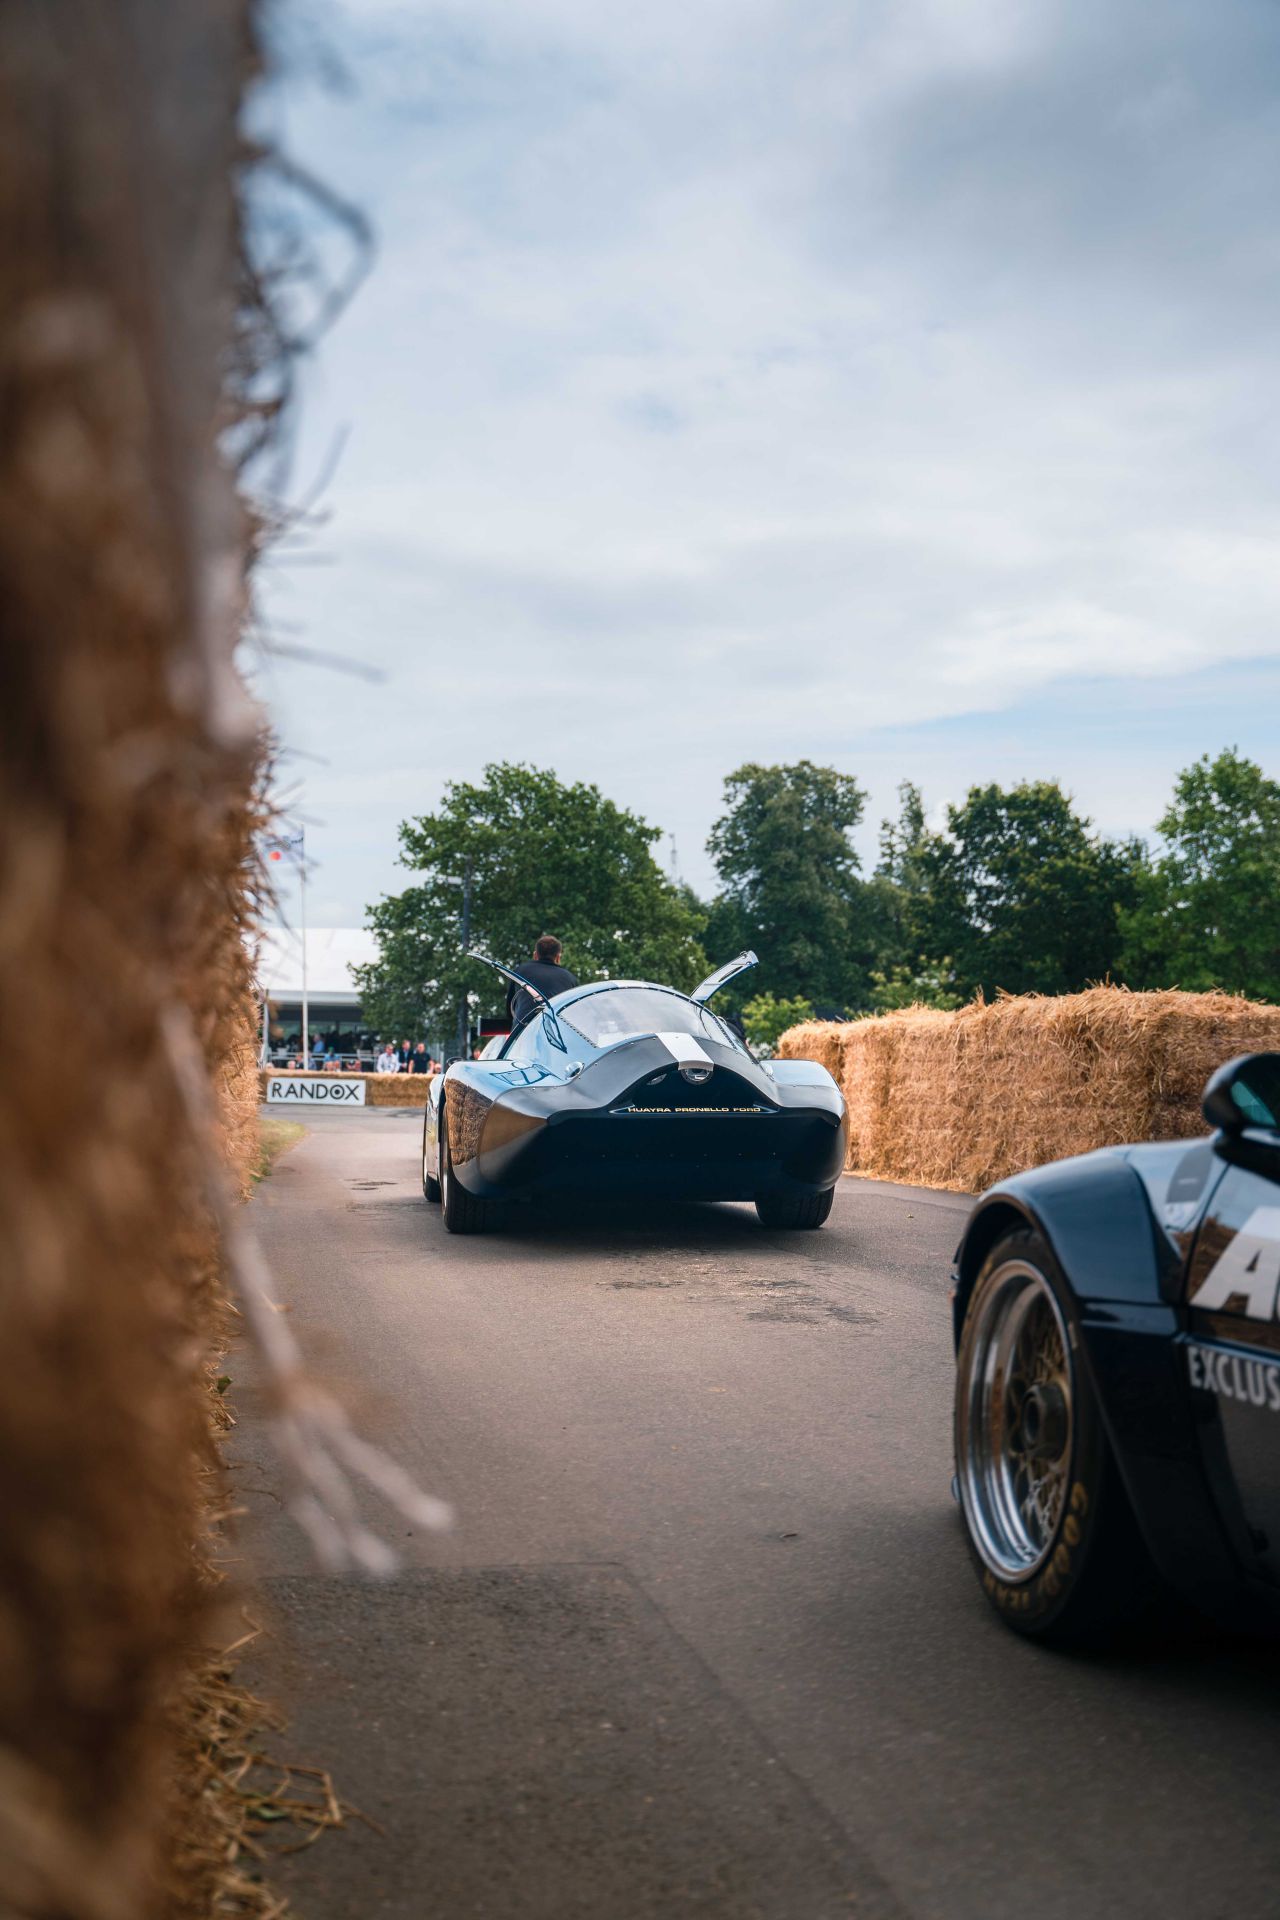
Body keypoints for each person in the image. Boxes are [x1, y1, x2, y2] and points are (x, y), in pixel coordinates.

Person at [507, 934, 578, 1028]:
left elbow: (510, 1008)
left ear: (535, 955)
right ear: (558, 957)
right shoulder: (570, 978)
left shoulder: (520, 971)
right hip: (557, 1033)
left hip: (523, 1031)